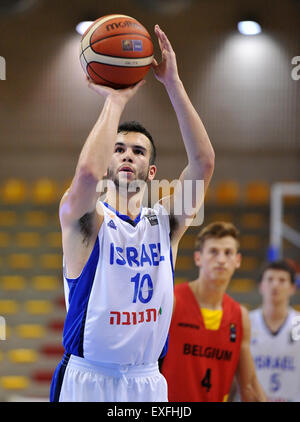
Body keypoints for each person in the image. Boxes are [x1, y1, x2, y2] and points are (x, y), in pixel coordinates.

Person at [49, 24, 215, 402]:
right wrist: (116, 99)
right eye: (119, 148)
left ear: (151, 172)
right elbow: (88, 173)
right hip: (89, 378)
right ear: (108, 161)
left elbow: (203, 163)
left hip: (148, 381)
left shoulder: (166, 224)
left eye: (138, 152)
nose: (127, 155)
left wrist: (172, 83)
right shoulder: (86, 222)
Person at [160, 221, 267, 402]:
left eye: (228, 253)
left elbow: (248, 385)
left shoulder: (240, 315)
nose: (221, 259)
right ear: (198, 258)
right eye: (213, 252)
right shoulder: (173, 301)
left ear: (237, 260)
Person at [245, 260, 300, 402]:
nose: (275, 285)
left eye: (282, 280)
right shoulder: (246, 322)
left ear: (293, 287)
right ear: (261, 286)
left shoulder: (298, 324)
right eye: (270, 279)